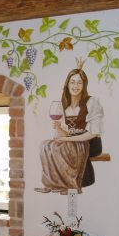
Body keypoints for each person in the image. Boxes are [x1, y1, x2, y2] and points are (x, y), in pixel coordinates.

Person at [38, 60, 104, 193]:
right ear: (67, 84)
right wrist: (59, 129)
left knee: (66, 145)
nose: (75, 86)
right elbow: (67, 134)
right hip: (72, 141)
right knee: (46, 145)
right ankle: (54, 183)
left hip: (90, 143)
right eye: (72, 82)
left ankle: (70, 184)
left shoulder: (91, 102)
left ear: (84, 85)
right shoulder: (64, 106)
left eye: (79, 83)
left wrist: (66, 139)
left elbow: (92, 133)